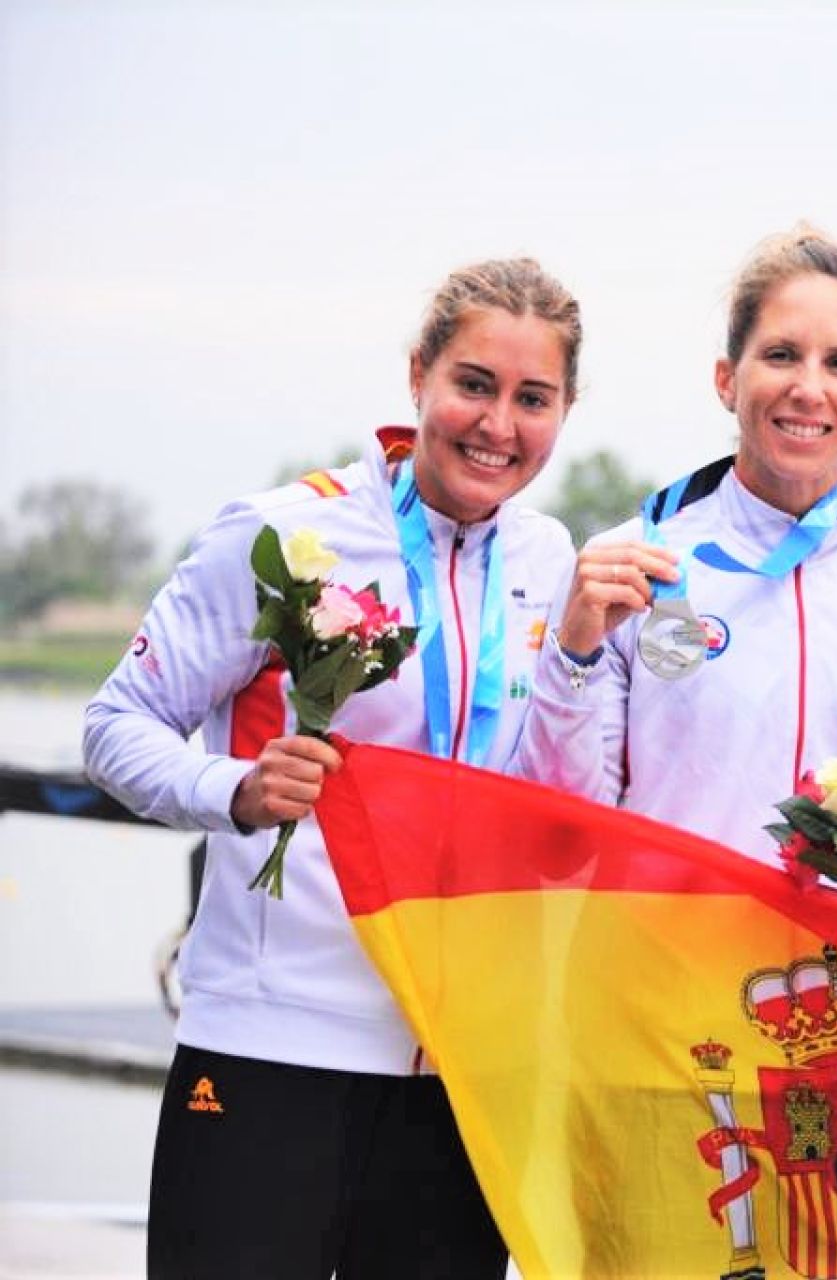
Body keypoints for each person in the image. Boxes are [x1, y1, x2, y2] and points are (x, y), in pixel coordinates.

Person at [83, 258, 583, 1278]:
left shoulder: (553, 562)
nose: (498, 424)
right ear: (418, 374)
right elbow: (115, 724)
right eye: (474, 384)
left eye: (533, 398)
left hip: (459, 1071)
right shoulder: (285, 531)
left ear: (564, 411)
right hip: (274, 1044)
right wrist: (233, 789)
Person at [512, 225, 837, 937]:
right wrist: (574, 655)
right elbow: (559, 828)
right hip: (666, 983)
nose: (808, 388)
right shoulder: (628, 564)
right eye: (780, 355)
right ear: (726, 379)